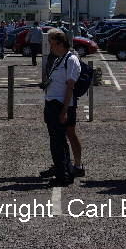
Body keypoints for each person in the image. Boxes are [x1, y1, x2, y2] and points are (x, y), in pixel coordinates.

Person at [41, 28, 80, 186]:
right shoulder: (59, 59)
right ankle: (65, 171)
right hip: (52, 102)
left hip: (60, 105)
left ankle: (62, 175)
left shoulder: (71, 60)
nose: (50, 47)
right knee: (57, 141)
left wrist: (64, 110)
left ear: (60, 43)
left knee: (58, 142)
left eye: (52, 44)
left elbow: (70, 86)